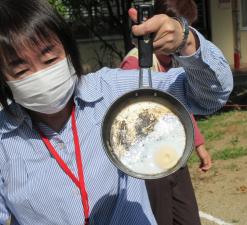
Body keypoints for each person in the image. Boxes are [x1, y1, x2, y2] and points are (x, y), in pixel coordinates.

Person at [0, 0, 233, 225]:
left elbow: (209, 96)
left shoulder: (114, 91)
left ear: (69, 51)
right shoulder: (3, 140)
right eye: (21, 71)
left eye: (50, 59)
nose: (42, 76)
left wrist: (186, 40)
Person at [121, 1, 211, 224]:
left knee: (188, 218)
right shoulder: (134, 63)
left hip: (174, 156)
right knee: (159, 218)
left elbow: (182, 107)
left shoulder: (175, 62)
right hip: (148, 164)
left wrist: (199, 145)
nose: (179, 38)